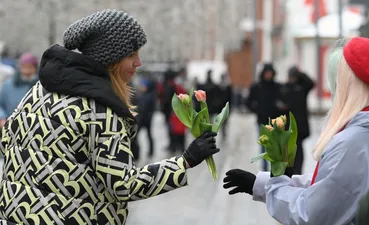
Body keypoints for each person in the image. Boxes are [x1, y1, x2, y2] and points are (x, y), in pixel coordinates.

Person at [0, 9, 220, 225]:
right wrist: (185, 161)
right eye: (131, 55)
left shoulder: (40, 89)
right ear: (110, 59)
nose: (139, 62)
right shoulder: (100, 110)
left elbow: (6, 143)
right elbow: (124, 184)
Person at [223, 37, 369, 224]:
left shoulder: (351, 142)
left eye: (336, 84)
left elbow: (311, 214)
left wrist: (274, 188)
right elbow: (330, 187)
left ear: (348, 86)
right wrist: (261, 185)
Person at [246, 63, 285, 171]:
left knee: (275, 146)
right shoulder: (257, 87)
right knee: (263, 146)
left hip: (275, 122)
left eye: (270, 73)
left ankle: (275, 168)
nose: (268, 75)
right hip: (262, 121)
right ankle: (264, 169)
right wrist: (258, 110)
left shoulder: (277, 87)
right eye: (266, 73)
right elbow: (248, 103)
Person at [280, 66, 314, 174]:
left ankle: (297, 172)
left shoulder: (302, 88)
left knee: (298, 152)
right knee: (288, 152)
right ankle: (288, 171)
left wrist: (300, 74)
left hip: (299, 127)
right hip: (288, 127)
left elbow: (311, 83)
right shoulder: (284, 88)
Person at [0, 52, 39, 127]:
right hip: (10, 126)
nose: (27, 71)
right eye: (24, 67)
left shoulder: (40, 86)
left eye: (30, 67)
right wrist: (2, 118)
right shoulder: (8, 85)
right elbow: (1, 104)